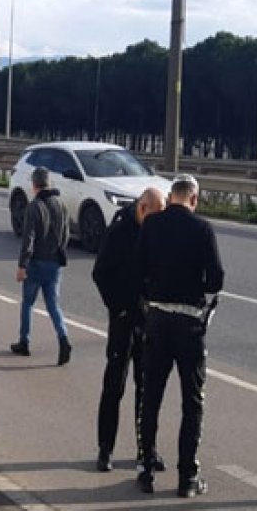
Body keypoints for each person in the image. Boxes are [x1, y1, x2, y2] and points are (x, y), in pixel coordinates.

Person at [135, 174, 223, 498]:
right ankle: (187, 477)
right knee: (192, 401)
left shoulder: (151, 226)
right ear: (194, 199)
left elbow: (138, 268)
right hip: (189, 324)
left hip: (157, 318)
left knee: (151, 395)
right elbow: (216, 279)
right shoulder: (202, 230)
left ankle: (146, 469)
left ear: (171, 196)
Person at [91, 187, 167, 473]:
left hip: (147, 319)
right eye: (156, 215)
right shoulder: (120, 229)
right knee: (114, 384)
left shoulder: (154, 231)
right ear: (143, 208)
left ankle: (145, 450)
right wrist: (119, 307)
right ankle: (105, 449)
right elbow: (100, 273)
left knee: (146, 387)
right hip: (123, 319)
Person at [12, 166, 72, 365]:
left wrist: (22, 265)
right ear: (49, 183)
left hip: (36, 263)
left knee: (28, 303)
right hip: (55, 263)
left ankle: (24, 342)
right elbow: (66, 234)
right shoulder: (60, 205)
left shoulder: (34, 207)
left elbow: (28, 238)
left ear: (34, 184)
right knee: (53, 305)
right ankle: (63, 338)